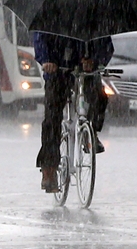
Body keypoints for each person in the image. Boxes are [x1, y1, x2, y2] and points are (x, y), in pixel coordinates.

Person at [34, 32, 114, 192]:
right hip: (58, 71)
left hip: (85, 71)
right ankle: (49, 169)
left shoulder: (93, 16)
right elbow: (40, 39)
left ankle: (91, 132)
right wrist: (47, 60)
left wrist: (95, 61)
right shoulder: (50, 15)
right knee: (52, 118)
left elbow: (106, 45)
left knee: (99, 97)